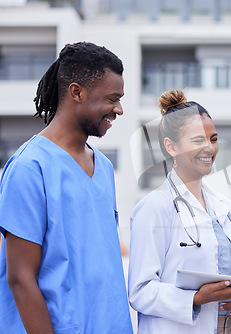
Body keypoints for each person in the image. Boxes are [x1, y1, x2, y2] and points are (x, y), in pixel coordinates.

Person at [0, 42, 133, 333]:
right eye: (112, 98)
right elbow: (20, 278)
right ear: (77, 92)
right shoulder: (29, 168)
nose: (119, 110)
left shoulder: (105, 169)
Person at [128, 89, 231, 334]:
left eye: (214, 139)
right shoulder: (154, 208)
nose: (209, 148)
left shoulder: (226, 208)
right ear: (171, 147)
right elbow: (140, 291)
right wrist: (194, 298)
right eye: (198, 140)